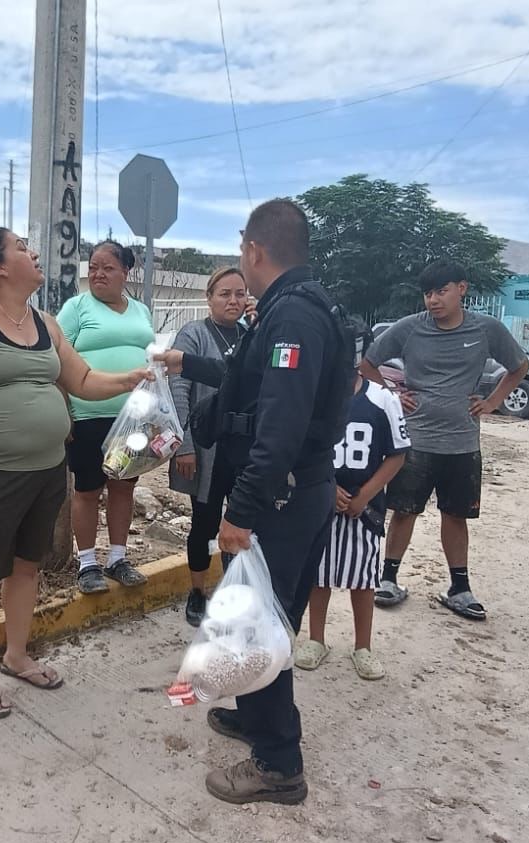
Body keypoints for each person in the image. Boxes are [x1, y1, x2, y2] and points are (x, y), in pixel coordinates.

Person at [157, 199, 352, 805]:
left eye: (242, 245)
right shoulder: (294, 309)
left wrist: (239, 511)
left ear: (254, 249)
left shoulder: (292, 316)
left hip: (282, 498)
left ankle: (278, 762)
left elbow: (280, 427)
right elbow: (247, 376)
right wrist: (186, 362)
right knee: (262, 615)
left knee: (256, 621)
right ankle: (257, 715)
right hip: (293, 493)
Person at [0, 228, 147, 719]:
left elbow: (84, 380)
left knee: (26, 566)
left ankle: (15, 654)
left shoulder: (46, 324)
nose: (34, 253)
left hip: (48, 469)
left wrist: (130, 377)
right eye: (22, 248)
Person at [358, 260, 529, 621]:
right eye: (428, 293)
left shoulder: (487, 329)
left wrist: (493, 402)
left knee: (456, 515)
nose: (433, 300)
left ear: (461, 289)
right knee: (404, 512)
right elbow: (367, 363)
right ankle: (388, 580)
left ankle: (459, 588)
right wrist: (392, 393)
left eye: (441, 291)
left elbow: (519, 366)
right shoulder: (409, 329)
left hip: (463, 443)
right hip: (415, 440)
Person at [294, 362, 409, 680]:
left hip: (365, 507)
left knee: (363, 579)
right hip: (321, 499)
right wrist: (328, 488)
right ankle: (316, 639)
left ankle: (363, 646)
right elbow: (303, 450)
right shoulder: (316, 397)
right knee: (319, 575)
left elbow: (397, 454)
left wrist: (365, 496)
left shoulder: (383, 399)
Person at [57, 241, 156, 594]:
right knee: (87, 489)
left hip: (132, 418)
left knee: (123, 487)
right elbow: (56, 360)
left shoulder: (142, 311)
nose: (98, 274)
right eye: (93, 267)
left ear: (125, 272)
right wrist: (65, 412)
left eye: (107, 267)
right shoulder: (76, 308)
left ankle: (117, 558)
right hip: (87, 415)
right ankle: (87, 564)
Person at [169, 266, 249, 626]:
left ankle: (232, 592)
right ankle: (198, 592)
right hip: (205, 451)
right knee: (204, 524)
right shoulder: (194, 335)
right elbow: (178, 391)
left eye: (240, 294)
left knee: (242, 522)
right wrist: (184, 445)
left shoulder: (251, 336)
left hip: (243, 453)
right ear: (209, 298)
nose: (233, 300)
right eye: (224, 294)